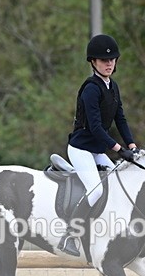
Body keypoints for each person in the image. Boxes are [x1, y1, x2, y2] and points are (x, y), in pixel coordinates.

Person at [57, 34, 138, 257]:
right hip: (81, 148)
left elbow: (120, 119)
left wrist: (131, 144)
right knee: (96, 191)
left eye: (112, 60)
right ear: (93, 62)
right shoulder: (91, 89)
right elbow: (95, 128)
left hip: (96, 149)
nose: (109, 64)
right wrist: (119, 150)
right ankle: (70, 235)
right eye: (104, 60)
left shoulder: (113, 87)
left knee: (116, 185)